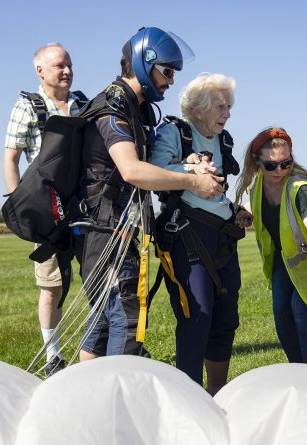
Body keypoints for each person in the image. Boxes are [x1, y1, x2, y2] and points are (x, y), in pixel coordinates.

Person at [75, 27, 224, 362]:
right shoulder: (113, 107)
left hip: (117, 227)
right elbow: (132, 171)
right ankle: (117, 404)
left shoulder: (136, 108)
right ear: (145, 62)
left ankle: (85, 399)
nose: (171, 81)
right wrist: (191, 183)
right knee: (127, 320)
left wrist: (187, 165)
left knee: (101, 321)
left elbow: (148, 161)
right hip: (106, 230)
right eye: (167, 72)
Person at [150, 73, 243, 395]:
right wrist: (189, 170)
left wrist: (235, 210)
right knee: (196, 318)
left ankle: (218, 394)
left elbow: (216, 189)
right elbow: (154, 170)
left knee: (226, 319)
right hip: (186, 236)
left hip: (223, 238)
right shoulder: (175, 133)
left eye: (229, 106)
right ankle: (189, 398)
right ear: (200, 108)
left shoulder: (224, 140)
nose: (227, 113)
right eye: (220, 106)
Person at [234, 127, 307, 363]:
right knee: (281, 311)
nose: (279, 170)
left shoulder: (300, 188)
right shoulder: (258, 185)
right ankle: (297, 368)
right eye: (271, 165)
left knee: (301, 310)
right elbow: (255, 204)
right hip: (286, 259)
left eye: (285, 163)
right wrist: (245, 213)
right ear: (257, 162)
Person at [4, 43, 85, 375]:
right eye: (58, 66)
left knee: (98, 277)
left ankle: (109, 346)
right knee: (52, 287)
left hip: (83, 206)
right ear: (40, 70)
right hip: (47, 211)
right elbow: (10, 159)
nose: (66, 71)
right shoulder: (27, 106)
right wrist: (22, 207)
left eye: (68, 64)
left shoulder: (82, 104)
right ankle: (53, 356)